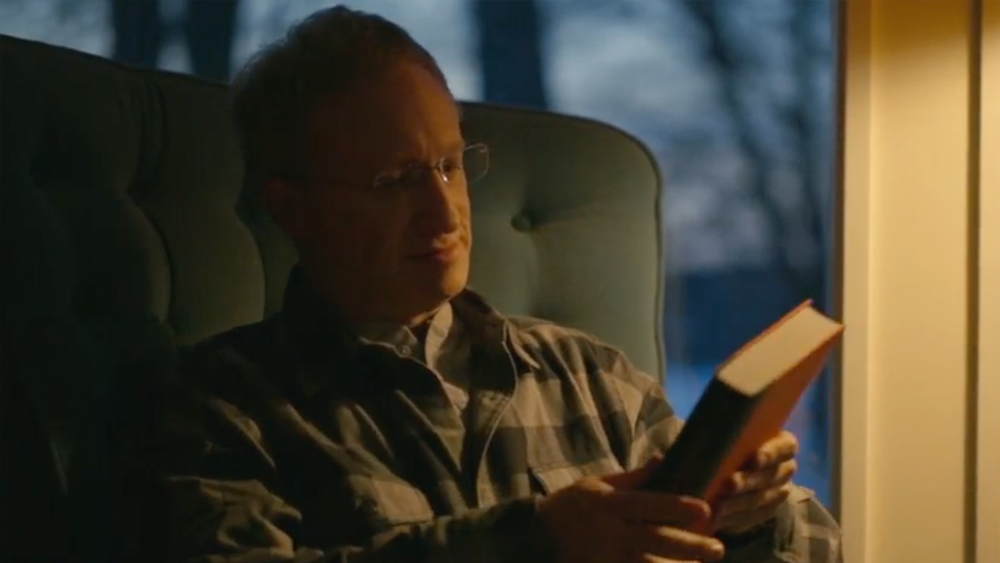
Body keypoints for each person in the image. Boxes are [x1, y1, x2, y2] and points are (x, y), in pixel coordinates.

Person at [113, 6, 843, 563]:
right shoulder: (227, 405)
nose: (445, 211)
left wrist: (750, 512)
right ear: (291, 208)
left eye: (451, 164)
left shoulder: (587, 373)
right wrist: (531, 543)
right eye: (395, 180)